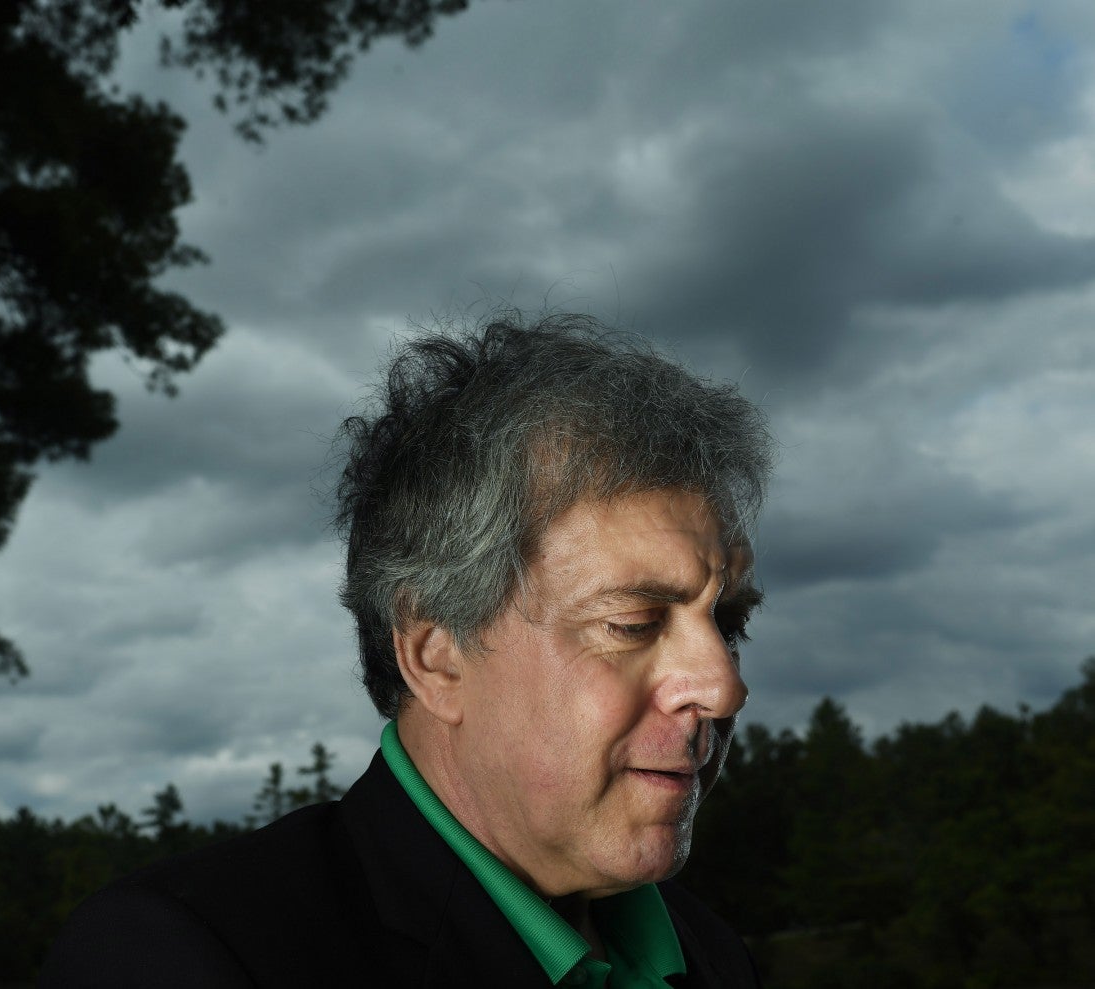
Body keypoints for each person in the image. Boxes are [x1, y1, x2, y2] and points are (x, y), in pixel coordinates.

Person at [40, 313, 773, 987]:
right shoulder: (179, 955)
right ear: (435, 654)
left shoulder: (710, 953)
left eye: (728, 625)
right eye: (634, 623)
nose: (722, 687)